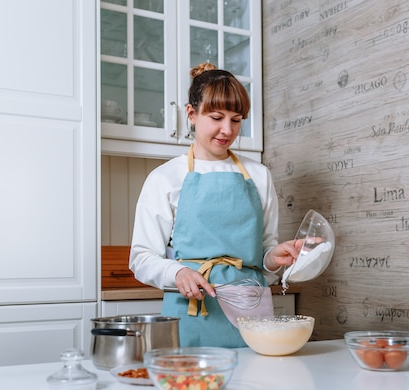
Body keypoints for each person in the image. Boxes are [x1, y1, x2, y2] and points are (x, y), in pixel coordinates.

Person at [129, 62, 301, 347]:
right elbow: (141, 258)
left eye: (236, 120)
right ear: (192, 114)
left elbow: (265, 254)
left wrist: (274, 257)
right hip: (192, 311)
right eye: (217, 117)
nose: (227, 130)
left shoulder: (259, 175)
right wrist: (178, 272)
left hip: (251, 312)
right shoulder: (165, 178)